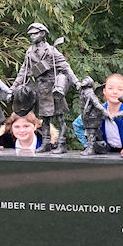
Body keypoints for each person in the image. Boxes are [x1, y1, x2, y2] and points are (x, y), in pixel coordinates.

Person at [12, 22, 80, 154]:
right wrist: (13, 87)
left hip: (54, 89)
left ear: (43, 34)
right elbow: (23, 72)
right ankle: (45, 143)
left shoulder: (52, 51)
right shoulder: (29, 52)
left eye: (35, 33)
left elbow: (65, 67)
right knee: (45, 120)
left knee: (60, 119)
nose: (32, 36)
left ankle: (62, 143)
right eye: (30, 34)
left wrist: (76, 82)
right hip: (41, 90)